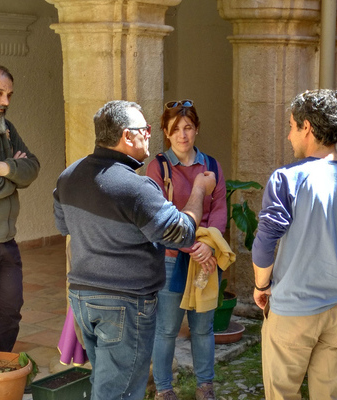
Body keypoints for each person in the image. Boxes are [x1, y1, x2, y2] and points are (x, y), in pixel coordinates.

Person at [53, 100, 216, 400]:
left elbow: (67, 231)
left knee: (107, 383)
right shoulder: (136, 188)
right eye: (146, 130)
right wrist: (197, 191)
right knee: (119, 392)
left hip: (83, 298)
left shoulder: (68, 177)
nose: (150, 135)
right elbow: (181, 233)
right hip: (125, 303)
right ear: (127, 136)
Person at [251, 89, 337, 400]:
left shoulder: (286, 178)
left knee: (282, 395)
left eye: (291, 126)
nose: (288, 135)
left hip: (293, 310)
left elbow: (266, 238)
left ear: (307, 127)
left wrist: (261, 285)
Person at [146, 99, 228, 400]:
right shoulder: (159, 167)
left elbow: (219, 209)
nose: (183, 135)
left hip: (204, 259)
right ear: (167, 133)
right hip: (170, 258)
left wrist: (207, 245)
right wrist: (190, 245)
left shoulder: (211, 166)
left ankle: (205, 385)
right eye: (176, 129)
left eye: (188, 128)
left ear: (197, 130)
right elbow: (156, 216)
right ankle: (164, 389)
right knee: (167, 328)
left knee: (203, 328)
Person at [0, 63, 40, 352]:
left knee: (8, 314)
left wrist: (4, 167)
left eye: (9, 94)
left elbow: (32, 168)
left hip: (7, 243)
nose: (5, 101)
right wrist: (13, 176)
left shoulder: (6, 128)